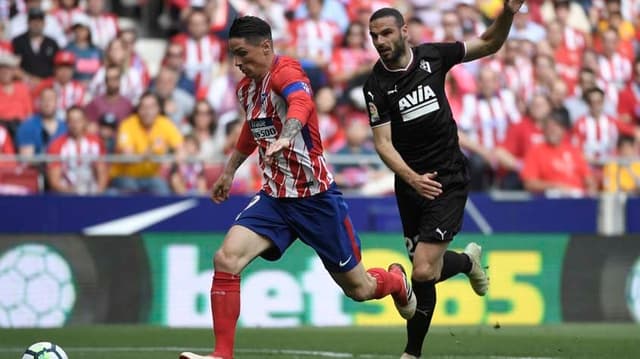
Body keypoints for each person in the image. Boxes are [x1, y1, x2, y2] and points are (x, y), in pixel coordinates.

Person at [178, 16, 416, 359]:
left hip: (316, 199)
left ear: (266, 47)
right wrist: (229, 171)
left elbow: (301, 104)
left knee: (360, 289)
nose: (237, 62)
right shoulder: (246, 89)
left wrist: (287, 135)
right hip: (275, 199)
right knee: (226, 259)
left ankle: (395, 281)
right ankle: (222, 355)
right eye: (233, 55)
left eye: (242, 54)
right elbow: (251, 130)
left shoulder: (287, 73)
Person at [362, 2, 524, 358]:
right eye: (374, 36)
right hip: (410, 186)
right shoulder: (376, 84)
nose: (380, 41)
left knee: (421, 269)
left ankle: (411, 353)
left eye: (386, 33)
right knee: (426, 273)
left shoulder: (433, 56)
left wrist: (508, 13)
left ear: (404, 32)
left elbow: (489, 44)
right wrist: (411, 178)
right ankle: (465, 264)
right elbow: (383, 145)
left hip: (447, 179)